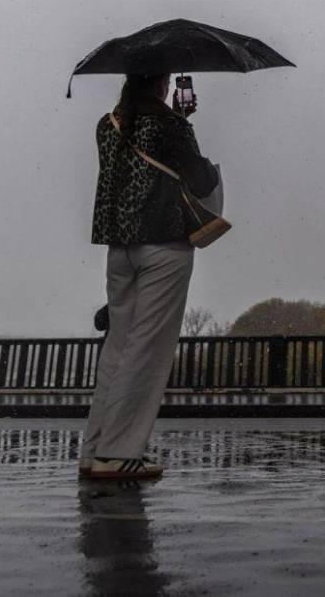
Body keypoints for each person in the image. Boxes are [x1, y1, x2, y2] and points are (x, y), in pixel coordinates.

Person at [80, 73, 219, 480]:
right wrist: (183, 123)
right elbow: (201, 179)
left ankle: (95, 450)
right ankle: (120, 453)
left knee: (118, 348)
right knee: (148, 350)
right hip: (164, 243)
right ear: (161, 86)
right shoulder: (171, 126)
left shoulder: (107, 125)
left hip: (119, 246)